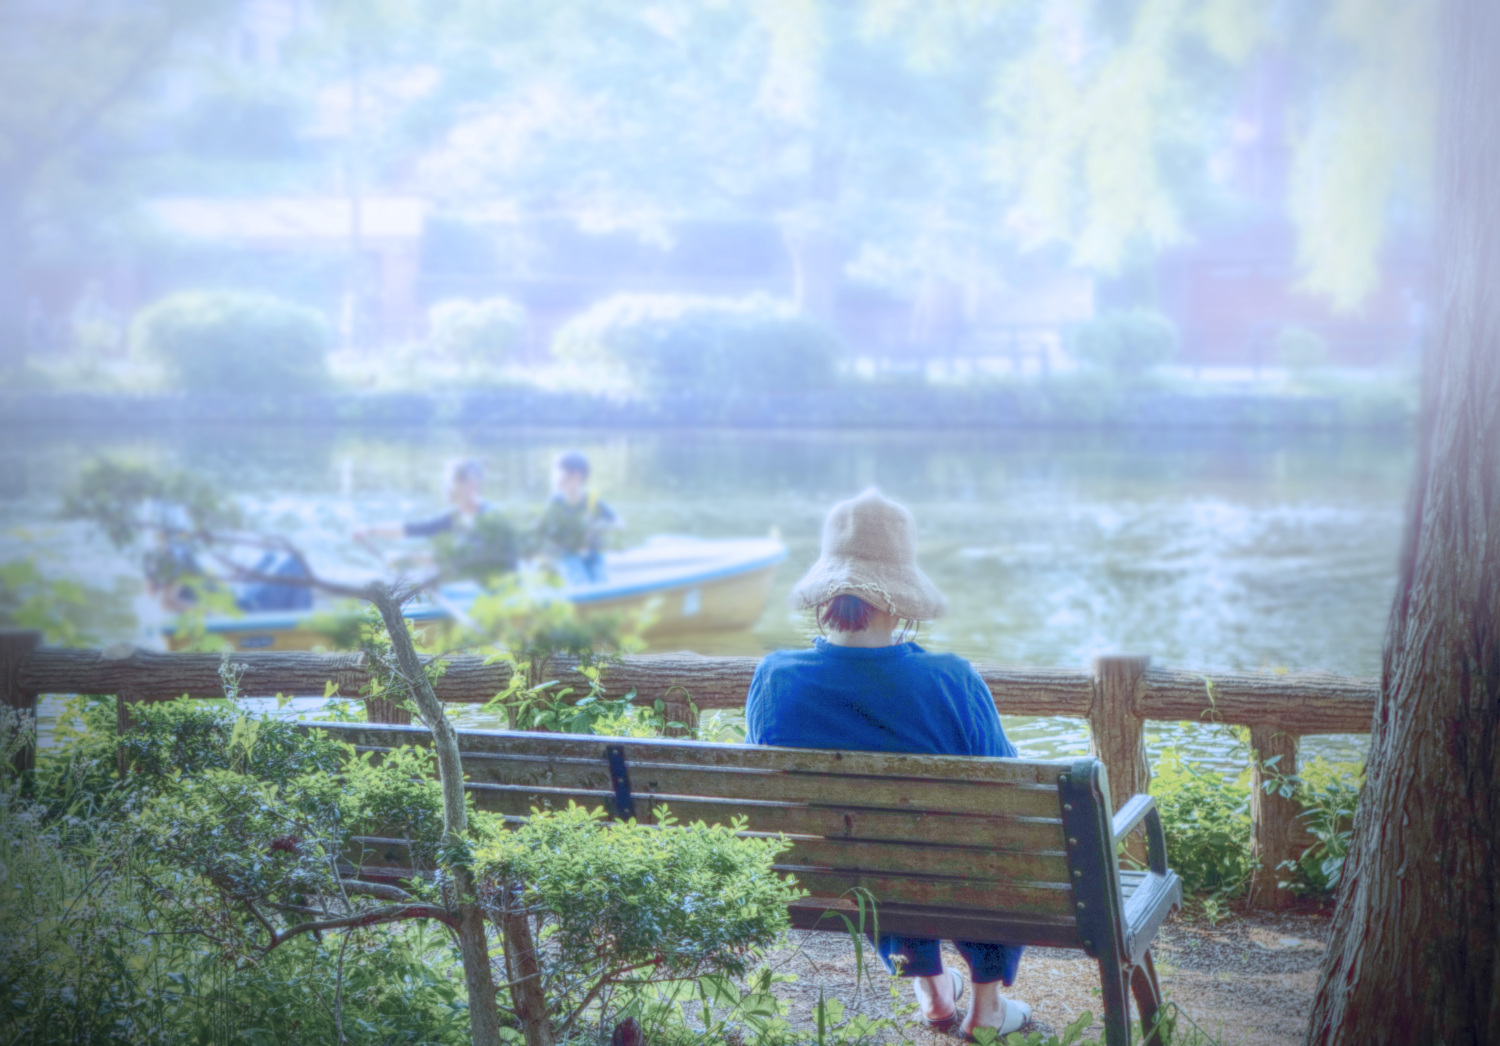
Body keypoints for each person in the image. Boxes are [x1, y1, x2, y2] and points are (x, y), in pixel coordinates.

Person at [745, 488, 1032, 1039]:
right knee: (990, 836)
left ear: (828, 589)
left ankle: (930, 990)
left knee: (872, 845)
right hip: (950, 875)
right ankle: (986, 1006)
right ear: (900, 595)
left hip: (838, 878)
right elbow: (1009, 796)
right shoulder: (951, 679)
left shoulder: (776, 676)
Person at [354, 459, 490, 542]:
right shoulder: (452, 519)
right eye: (446, 481)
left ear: (472, 484)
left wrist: (410, 560)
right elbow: (413, 528)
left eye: (451, 481)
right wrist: (370, 530)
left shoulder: (491, 518)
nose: (446, 487)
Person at [537, 451, 622, 585]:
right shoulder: (556, 502)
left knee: (602, 581)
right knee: (578, 580)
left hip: (594, 554)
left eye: (560, 472)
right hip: (569, 554)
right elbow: (542, 529)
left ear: (576, 476)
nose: (555, 477)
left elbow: (619, 524)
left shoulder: (592, 500)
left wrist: (598, 529)